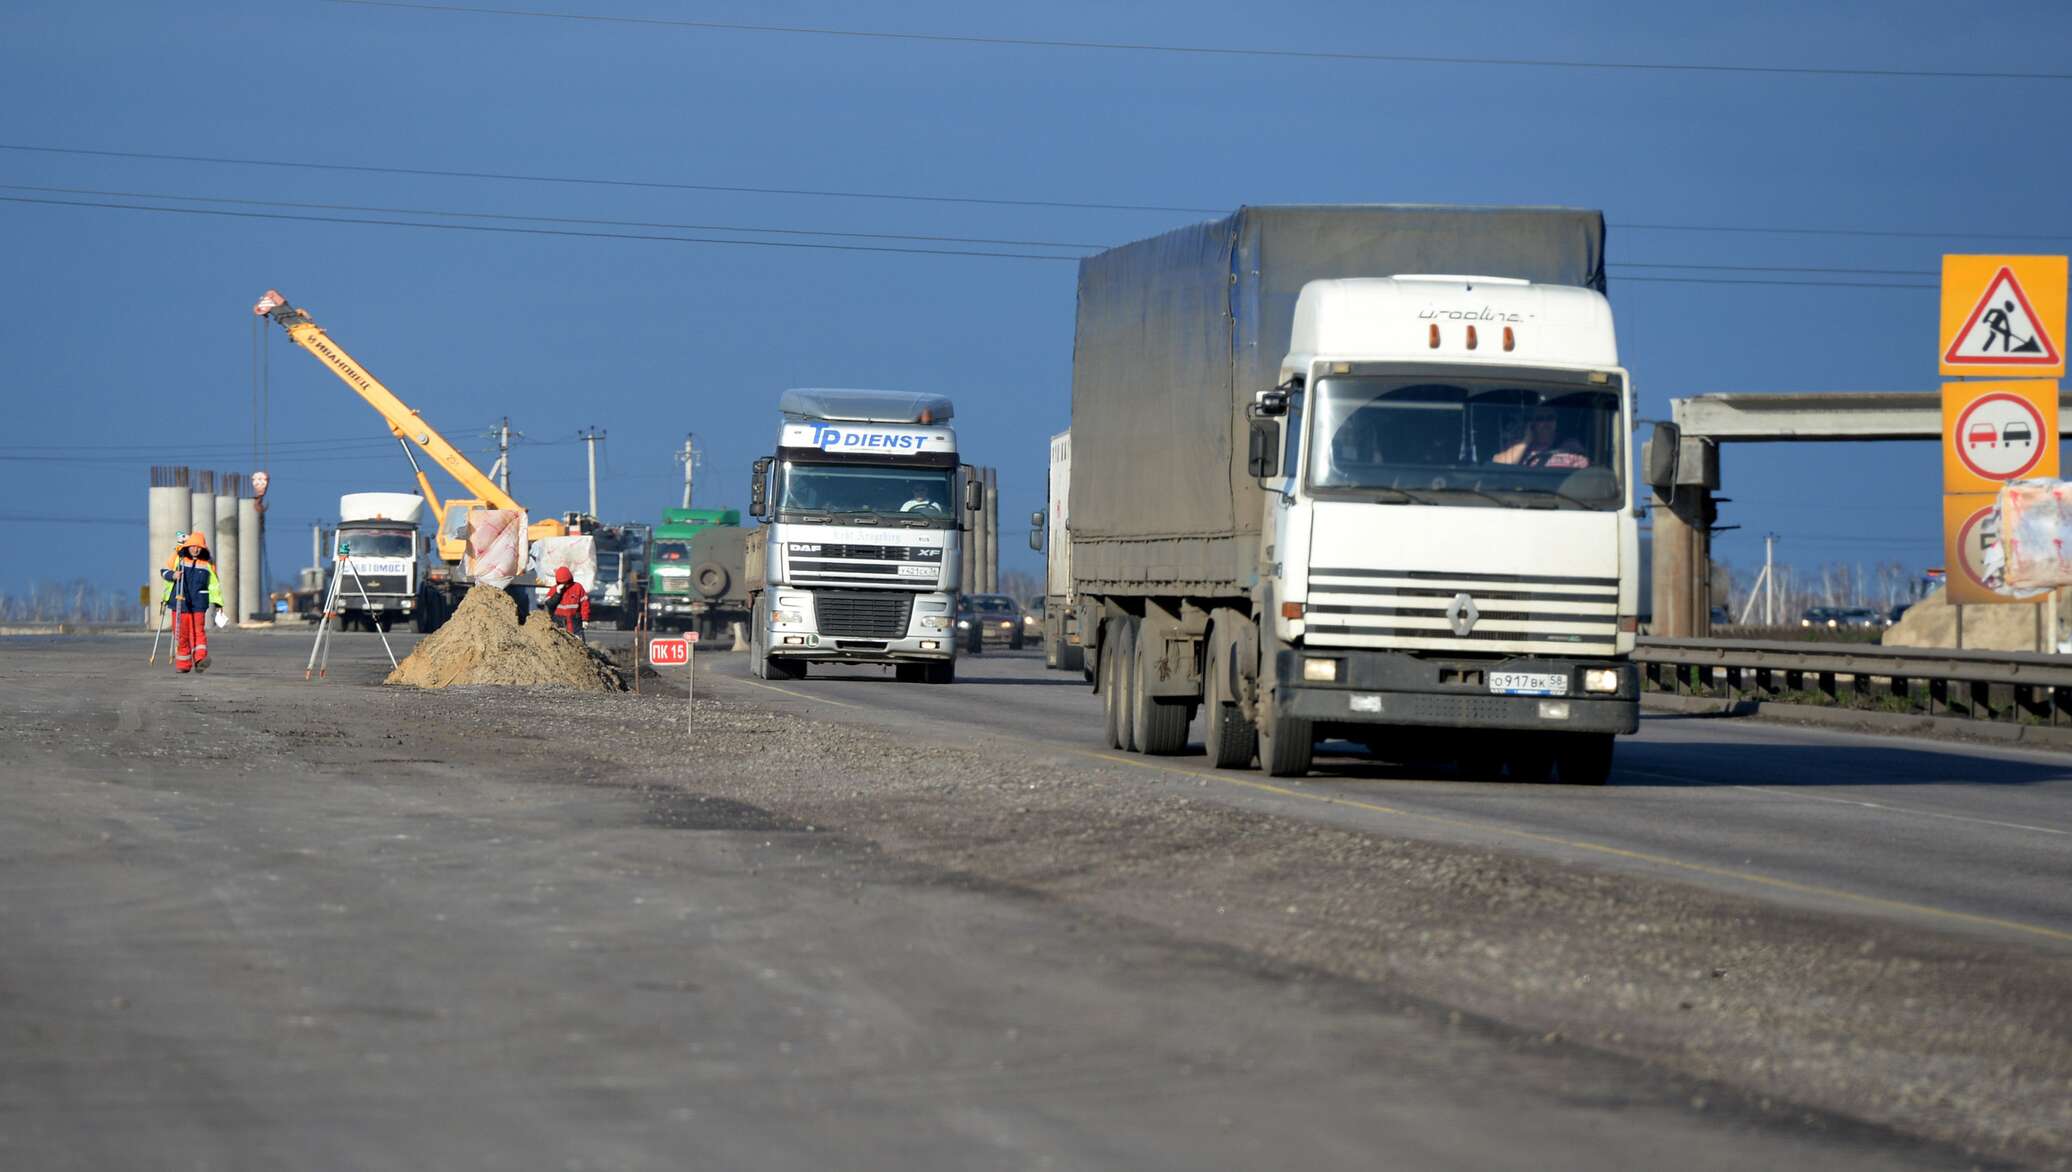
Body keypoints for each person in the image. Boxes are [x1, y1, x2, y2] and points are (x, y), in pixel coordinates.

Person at [160, 529, 224, 673]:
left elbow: (214, 584)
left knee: (198, 632)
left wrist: (218, 603)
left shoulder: (207, 562)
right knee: (181, 634)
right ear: (188, 546)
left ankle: (200, 660)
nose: (195, 549)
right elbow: (163, 571)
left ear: (203, 548)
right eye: (193, 546)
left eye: (198, 547)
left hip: (199, 603)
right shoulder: (178, 557)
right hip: (180, 602)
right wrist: (173, 575)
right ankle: (183, 665)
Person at [1493, 406, 1592, 468]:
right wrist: (1526, 441)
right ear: (1532, 424)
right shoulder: (1518, 446)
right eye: (1540, 419)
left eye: (1550, 418)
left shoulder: (1571, 445)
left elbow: (1584, 470)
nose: (1545, 423)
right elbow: (1499, 465)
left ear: (1556, 422)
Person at [547, 565, 590, 638]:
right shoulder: (554, 590)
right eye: (562, 583)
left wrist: (585, 619)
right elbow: (549, 605)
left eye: (566, 582)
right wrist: (557, 594)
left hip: (575, 622)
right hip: (559, 622)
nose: (565, 585)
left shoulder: (577, 587)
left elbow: (584, 604)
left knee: (578, 643)